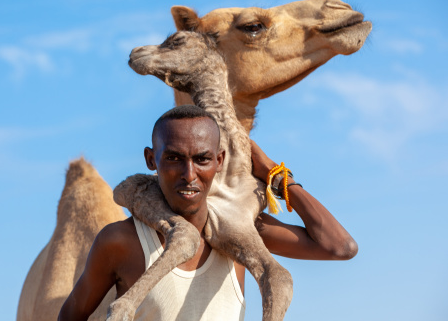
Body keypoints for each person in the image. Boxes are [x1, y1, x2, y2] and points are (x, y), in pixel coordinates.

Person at [58, 105, 357, 321]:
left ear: (219, 160)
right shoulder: (121, 241)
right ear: (151, 159)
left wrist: (276, 176)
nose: (189, 174)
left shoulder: (243, 231)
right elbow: (71, 315)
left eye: (202, 159)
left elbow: (339, 246)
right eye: (173, 158)